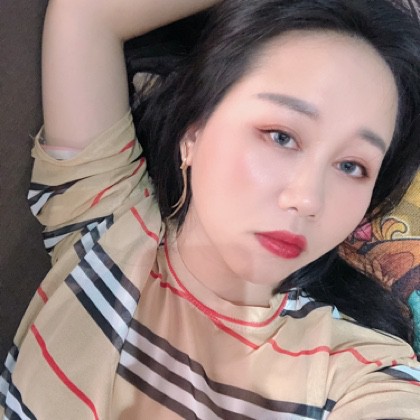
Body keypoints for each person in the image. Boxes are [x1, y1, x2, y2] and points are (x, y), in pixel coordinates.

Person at [1, 0, 420, 418]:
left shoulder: (357, 372)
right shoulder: (105, 223)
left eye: (351, 166)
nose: (309, 199)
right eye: (281, 136)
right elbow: (87, 15)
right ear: (194, 132)